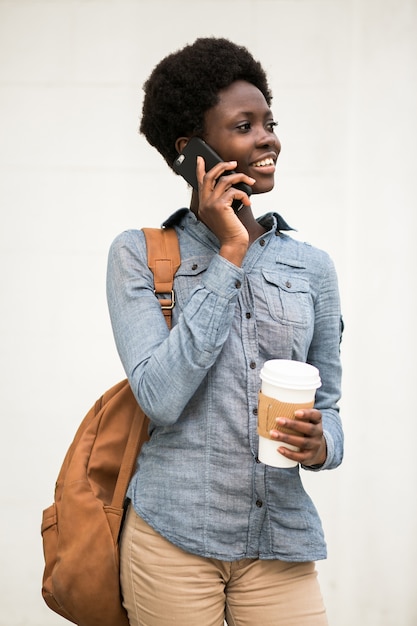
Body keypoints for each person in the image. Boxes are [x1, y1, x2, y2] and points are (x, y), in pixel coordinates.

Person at [106, 37, 343, 626]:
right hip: (173, 539)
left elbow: (331, 407)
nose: (269, 139)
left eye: (270, 121)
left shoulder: (311, 267)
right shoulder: (138, 256)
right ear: (193, 152)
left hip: (279, 542)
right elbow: (159, 397)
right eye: (245, 125)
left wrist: (323, 445)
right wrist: (231, 253)